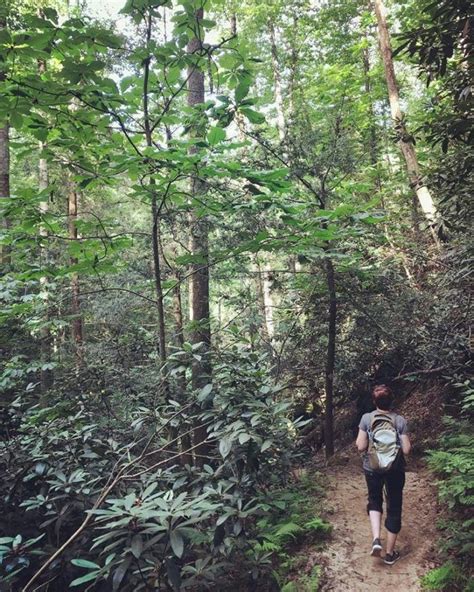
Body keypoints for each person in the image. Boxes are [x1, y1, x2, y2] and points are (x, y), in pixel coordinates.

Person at [355, 384, 411, 565]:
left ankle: (376, 539)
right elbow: (407, 449)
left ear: (374, 401)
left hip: (372, 468)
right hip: (395, 469)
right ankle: (389, 554)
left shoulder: (366, 418)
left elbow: (361, 446)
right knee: (394, 506)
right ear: (391, 401)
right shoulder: (399, 420)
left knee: (374, 500)